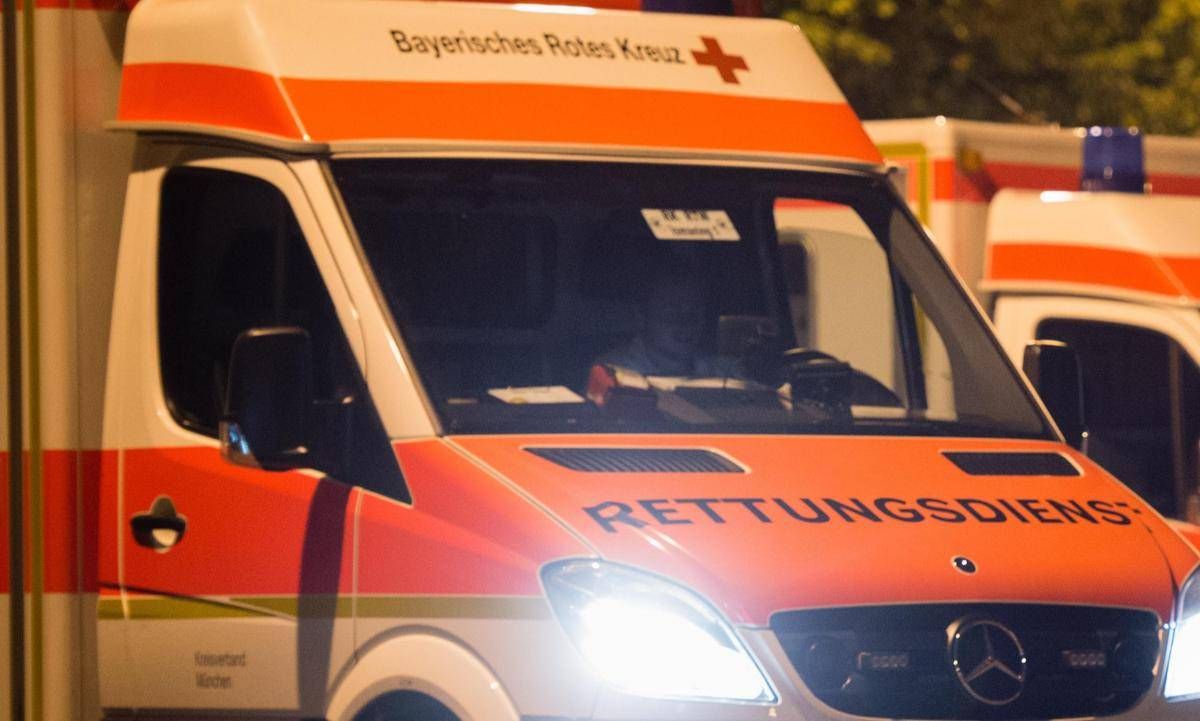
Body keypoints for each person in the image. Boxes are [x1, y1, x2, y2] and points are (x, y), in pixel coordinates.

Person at [597, 272, 740, 378]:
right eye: (671, 313)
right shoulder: (612, 375)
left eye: (694, 313)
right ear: (642, 317)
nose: (685, 323)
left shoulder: (726, 373)